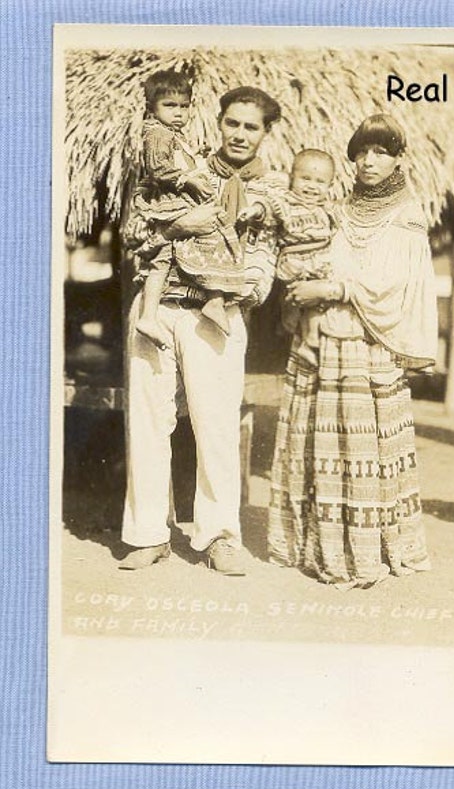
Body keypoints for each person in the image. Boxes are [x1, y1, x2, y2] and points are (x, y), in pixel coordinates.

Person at [267, 113, 438, 589]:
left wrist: (330, 289)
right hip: (321, 339)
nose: (369, 161)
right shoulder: (338, 209)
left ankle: (369, 552)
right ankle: (319, 549)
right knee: (319, 444)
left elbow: (391, 284)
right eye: (362, 152)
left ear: (397, 157)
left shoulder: (405, 215)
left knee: (363, 449)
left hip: (367, 344)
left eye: (381, 152)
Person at [119, 86, 282, 574]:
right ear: (219, 122)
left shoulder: (271, 192)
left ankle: (218, 536)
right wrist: (177, 228)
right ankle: (149, 533)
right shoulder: (176, 166)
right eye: (232, 122)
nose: (239, 133)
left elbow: (266, 258)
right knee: (148, 420)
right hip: (158, 305)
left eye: (251, 126)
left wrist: (236, 292)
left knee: (215, 425)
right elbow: (133, 232)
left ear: (265, 133)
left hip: (217, 314)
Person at [133, 70, 244, 347]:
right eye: (170, 106)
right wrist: (188, 179)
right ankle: (213, 299)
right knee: (210, 230)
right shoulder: (157, 133)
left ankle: (207, 301)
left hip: (175, 200)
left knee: (165, 256)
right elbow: (159, 169)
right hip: (170, 202)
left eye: (184, 106)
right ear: (151, 108)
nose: (179, 112)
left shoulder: (173, 134)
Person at [237, 148, 337, 365]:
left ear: (329, 186)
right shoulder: (287, 202)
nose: (311, 186)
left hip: (320, 257)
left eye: (320, 182)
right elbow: (269, 207)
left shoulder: (326, 208)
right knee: (299, 300)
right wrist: (254, 210)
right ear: (292, 179)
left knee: (315, 303)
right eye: (305, 179)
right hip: (296, 259)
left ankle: (305, 338)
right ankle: (301, 336)